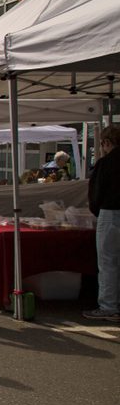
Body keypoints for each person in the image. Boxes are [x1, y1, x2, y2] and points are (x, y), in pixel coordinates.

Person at [84, 125, 120, 322]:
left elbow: (95, 194)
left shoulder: (105, 163)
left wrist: (96, 210)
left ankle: (108, 306)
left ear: (106, 143)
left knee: (108, 262)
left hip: (110, 212)